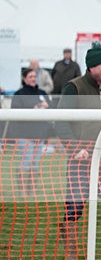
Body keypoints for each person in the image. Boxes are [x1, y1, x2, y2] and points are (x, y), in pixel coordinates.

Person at [55, 41, 101, 260]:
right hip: (81, 160)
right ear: (91, 67)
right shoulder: (73, 87)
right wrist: (75, 149)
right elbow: (60, 121)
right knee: (75, 207)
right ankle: (71, 255)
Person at [9, 68, 51, 196]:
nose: (33, 79)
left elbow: (51, 108)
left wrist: (47, 106)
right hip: (24, 135)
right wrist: (35, 108)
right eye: (30, 76)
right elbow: (15, 111)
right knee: (26, 163)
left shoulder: (42, 93)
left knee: (35, 164)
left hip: (39, 135)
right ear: (24, 79)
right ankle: (22, 192)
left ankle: (32, 191)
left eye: (34, 76)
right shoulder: (19, 94)